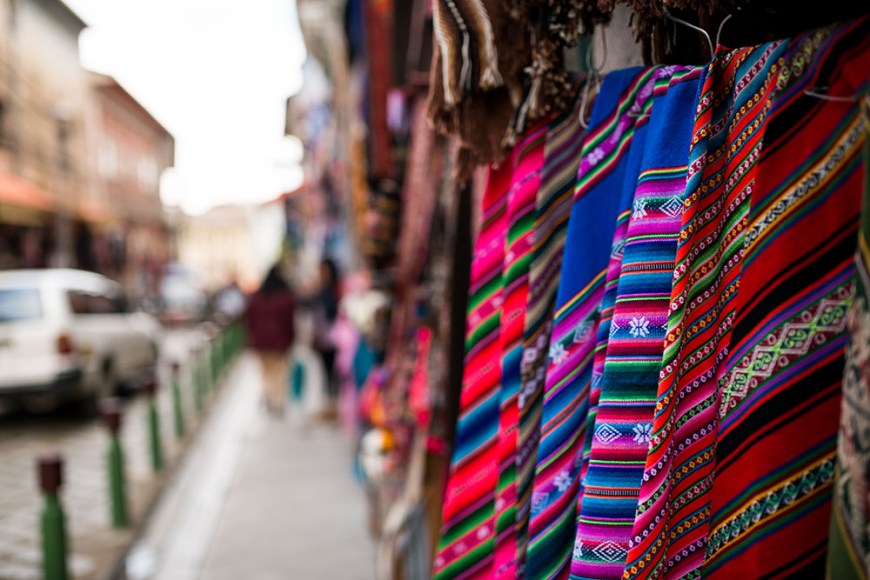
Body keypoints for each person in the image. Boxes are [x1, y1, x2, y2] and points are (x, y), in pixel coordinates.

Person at [244, 264, 295, 417]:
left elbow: (248, 319)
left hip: (261, 342)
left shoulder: (257, 297)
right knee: (279, 373)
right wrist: (290, 339)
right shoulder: (284, 298)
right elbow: (289, 322)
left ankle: (268, 397)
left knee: (265, 372)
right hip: (279, 342)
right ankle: (277, 401)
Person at [311, 257, 341, 419]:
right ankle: (329, 406)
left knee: (334, 373)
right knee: (326, 373)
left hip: (335, 339)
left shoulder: (334, 291)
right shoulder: (322, 290)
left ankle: (333, 406)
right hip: (324, 339)